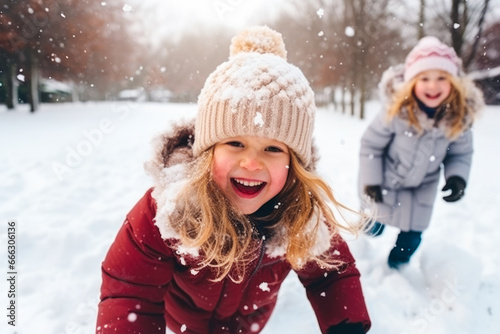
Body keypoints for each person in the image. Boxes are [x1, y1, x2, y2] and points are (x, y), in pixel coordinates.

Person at [96, 26, 371, 334]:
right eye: (235, 144)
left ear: (293, 166)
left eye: (272, 149)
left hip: (249, 324)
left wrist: (345, 324)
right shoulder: (167, 211)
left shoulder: (300, 215)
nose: (251, 163)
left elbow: (330, 275)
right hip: (185, 322)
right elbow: (131, 293)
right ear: (208, 152)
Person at [358, 36, 484, 269]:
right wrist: (372, 182)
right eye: (424, 78)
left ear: (454, 82)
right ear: (411, 81)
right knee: (373, 226)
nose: (433, 86)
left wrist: (457, 178)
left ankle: (397, 265)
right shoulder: (396, 111)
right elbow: (371, 145)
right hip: (387, 178)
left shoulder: (457, 118)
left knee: (412, 236)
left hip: (423, 186)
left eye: (441, 78)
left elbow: (461, 154)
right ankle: (360, 248)